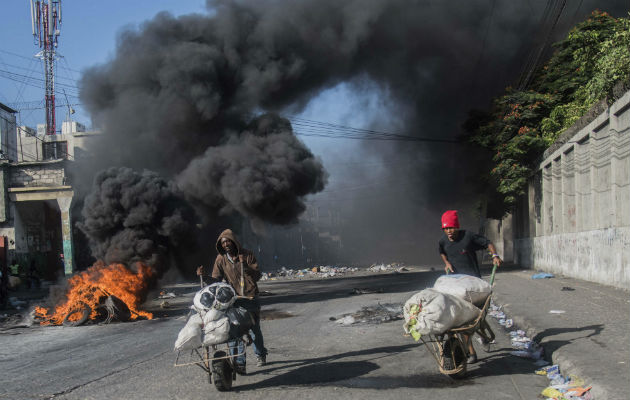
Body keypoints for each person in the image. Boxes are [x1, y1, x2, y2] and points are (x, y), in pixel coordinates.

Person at [197, 229, 268, 375]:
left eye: (227, 241)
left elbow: (257, 275)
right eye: (223, 243)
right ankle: (239, 363)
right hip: (233, 300)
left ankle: (261, 354)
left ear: (234, 241)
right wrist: (204, 276)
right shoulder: (221, 259)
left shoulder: (247, 255)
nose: (225, 245)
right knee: (234, 331)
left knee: (254, 331)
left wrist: (245, 266)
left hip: (249, 298)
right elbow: (216, 280)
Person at [438, 210, 502, 364]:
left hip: (473, 285)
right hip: (456, 286)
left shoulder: (468, 237)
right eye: (446, 229)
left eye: (451, 228)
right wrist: (446, 263)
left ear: (457, 227)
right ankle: (471, 352)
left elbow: (488, 243)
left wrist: (494, 255)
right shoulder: (443, 241)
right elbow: (442, 252)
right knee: (462, 322)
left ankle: (480, 336)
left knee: (472, 320)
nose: (449, 232)